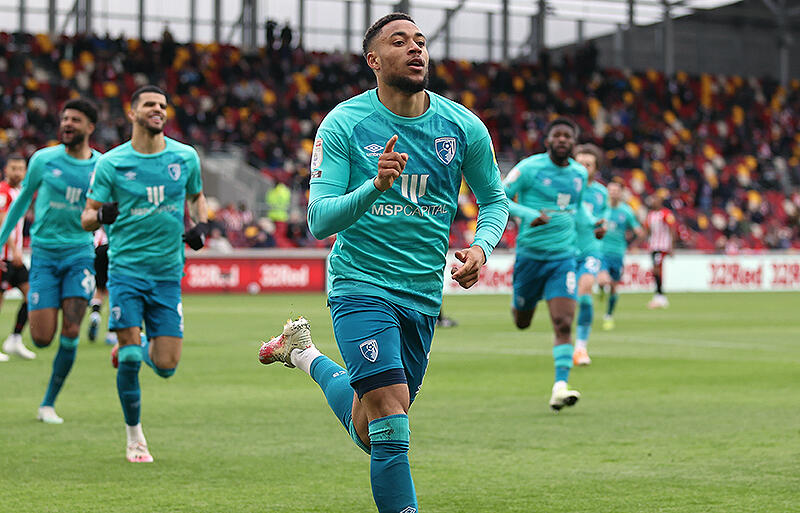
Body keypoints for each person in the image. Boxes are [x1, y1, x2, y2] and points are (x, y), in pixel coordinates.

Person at [256, 13, 508, 513]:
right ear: (373, 60)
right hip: (360, 286)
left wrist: (481, 248)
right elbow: (319, 219)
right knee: (392, 422)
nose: (416, 48)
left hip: (422, 295)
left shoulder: (463, 126)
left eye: (420, 41)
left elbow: (494, 201)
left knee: (373, 432)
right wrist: (374, 186)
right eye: (400, 41)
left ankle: (304, 355)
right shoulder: (344, 123)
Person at [81, 85, 208, 463]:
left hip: (167, 274)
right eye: (150, 104)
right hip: (126, 272)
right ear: (132, 112)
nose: (158, 110)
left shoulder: (185, 157)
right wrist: (102, 214)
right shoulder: (112, 163)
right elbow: (86, 216)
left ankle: (129, 348)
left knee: (166, 366)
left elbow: (196, 197)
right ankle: (135, 437)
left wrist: (201, 224)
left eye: (162, 105)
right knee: (132, 358)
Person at [0, 100, 101, 423]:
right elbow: (20, 203)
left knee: (71, 329)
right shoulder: (43, 159)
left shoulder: (102, 166)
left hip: (80, 255)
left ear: (90, 127)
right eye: (65, 118)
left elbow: (108, 211)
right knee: (42, 338)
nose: (67, 123)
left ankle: (48, 404)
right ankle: (47, 307)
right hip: (44, 256)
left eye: (75, 119)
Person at [503, 117, 594, 411]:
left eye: (568, 136)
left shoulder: (579, 174)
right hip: (530, 256)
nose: (563, 139)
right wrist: (529, 215)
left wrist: (594, 224)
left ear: (574, 143)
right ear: (547, 141)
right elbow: (500, 197)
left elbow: (578, 210)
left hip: (562, 258)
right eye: (558, 135)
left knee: (564, 322)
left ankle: (560, 386)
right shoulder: (530, 168)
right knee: (522, 321)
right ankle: (520, 302)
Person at [571, 144, 608, 366]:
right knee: (565, 302)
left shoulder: (601, 193)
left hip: (590, 251)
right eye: (580, 163)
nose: (584, 168)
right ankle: (565, 344)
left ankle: (581, 348)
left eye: (588, 164)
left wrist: (602, 227)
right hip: (565, 250)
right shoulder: (566, 187)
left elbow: (603, 221)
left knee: (585, 293)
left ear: (596, 168)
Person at [0, 155, 36, 361]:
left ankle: (14, 339)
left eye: (21, 169)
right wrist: (14, 249)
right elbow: (2, 222)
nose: (17, 172)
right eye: (13, 168)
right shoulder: (3, 192)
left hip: (16, 257)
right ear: (6, 169)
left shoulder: (21, 192)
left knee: (32, 296)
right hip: (4, 256)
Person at [599, 177, 644, 330]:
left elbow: (639, 232)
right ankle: (601, 287)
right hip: (601, 252)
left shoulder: (626, 212)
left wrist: (633, 245)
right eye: (610, 190)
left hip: (617, 253)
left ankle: (609, 315)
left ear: (621, 193)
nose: (612, 193)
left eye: (616, 191)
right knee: (603, 280)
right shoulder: (601, 209)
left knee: (613, 287)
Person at [645, 190, 676, 309]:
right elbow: (647, 231)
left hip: (662, 246)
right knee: (656, 271)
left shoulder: (666, 213)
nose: (654, 202)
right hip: (653, 246)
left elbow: (672, 229)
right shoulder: (650, 215)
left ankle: (660, 297)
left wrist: (671, 246)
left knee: (657, 270)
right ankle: (659, 296)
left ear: (660, 201)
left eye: (656, 199)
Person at [87, 227, 117, 345]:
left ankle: (95, 315)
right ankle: (112, 332)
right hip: (113, 250)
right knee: (114, 290)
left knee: (99, 289)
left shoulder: (96, 225)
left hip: (97, 251)